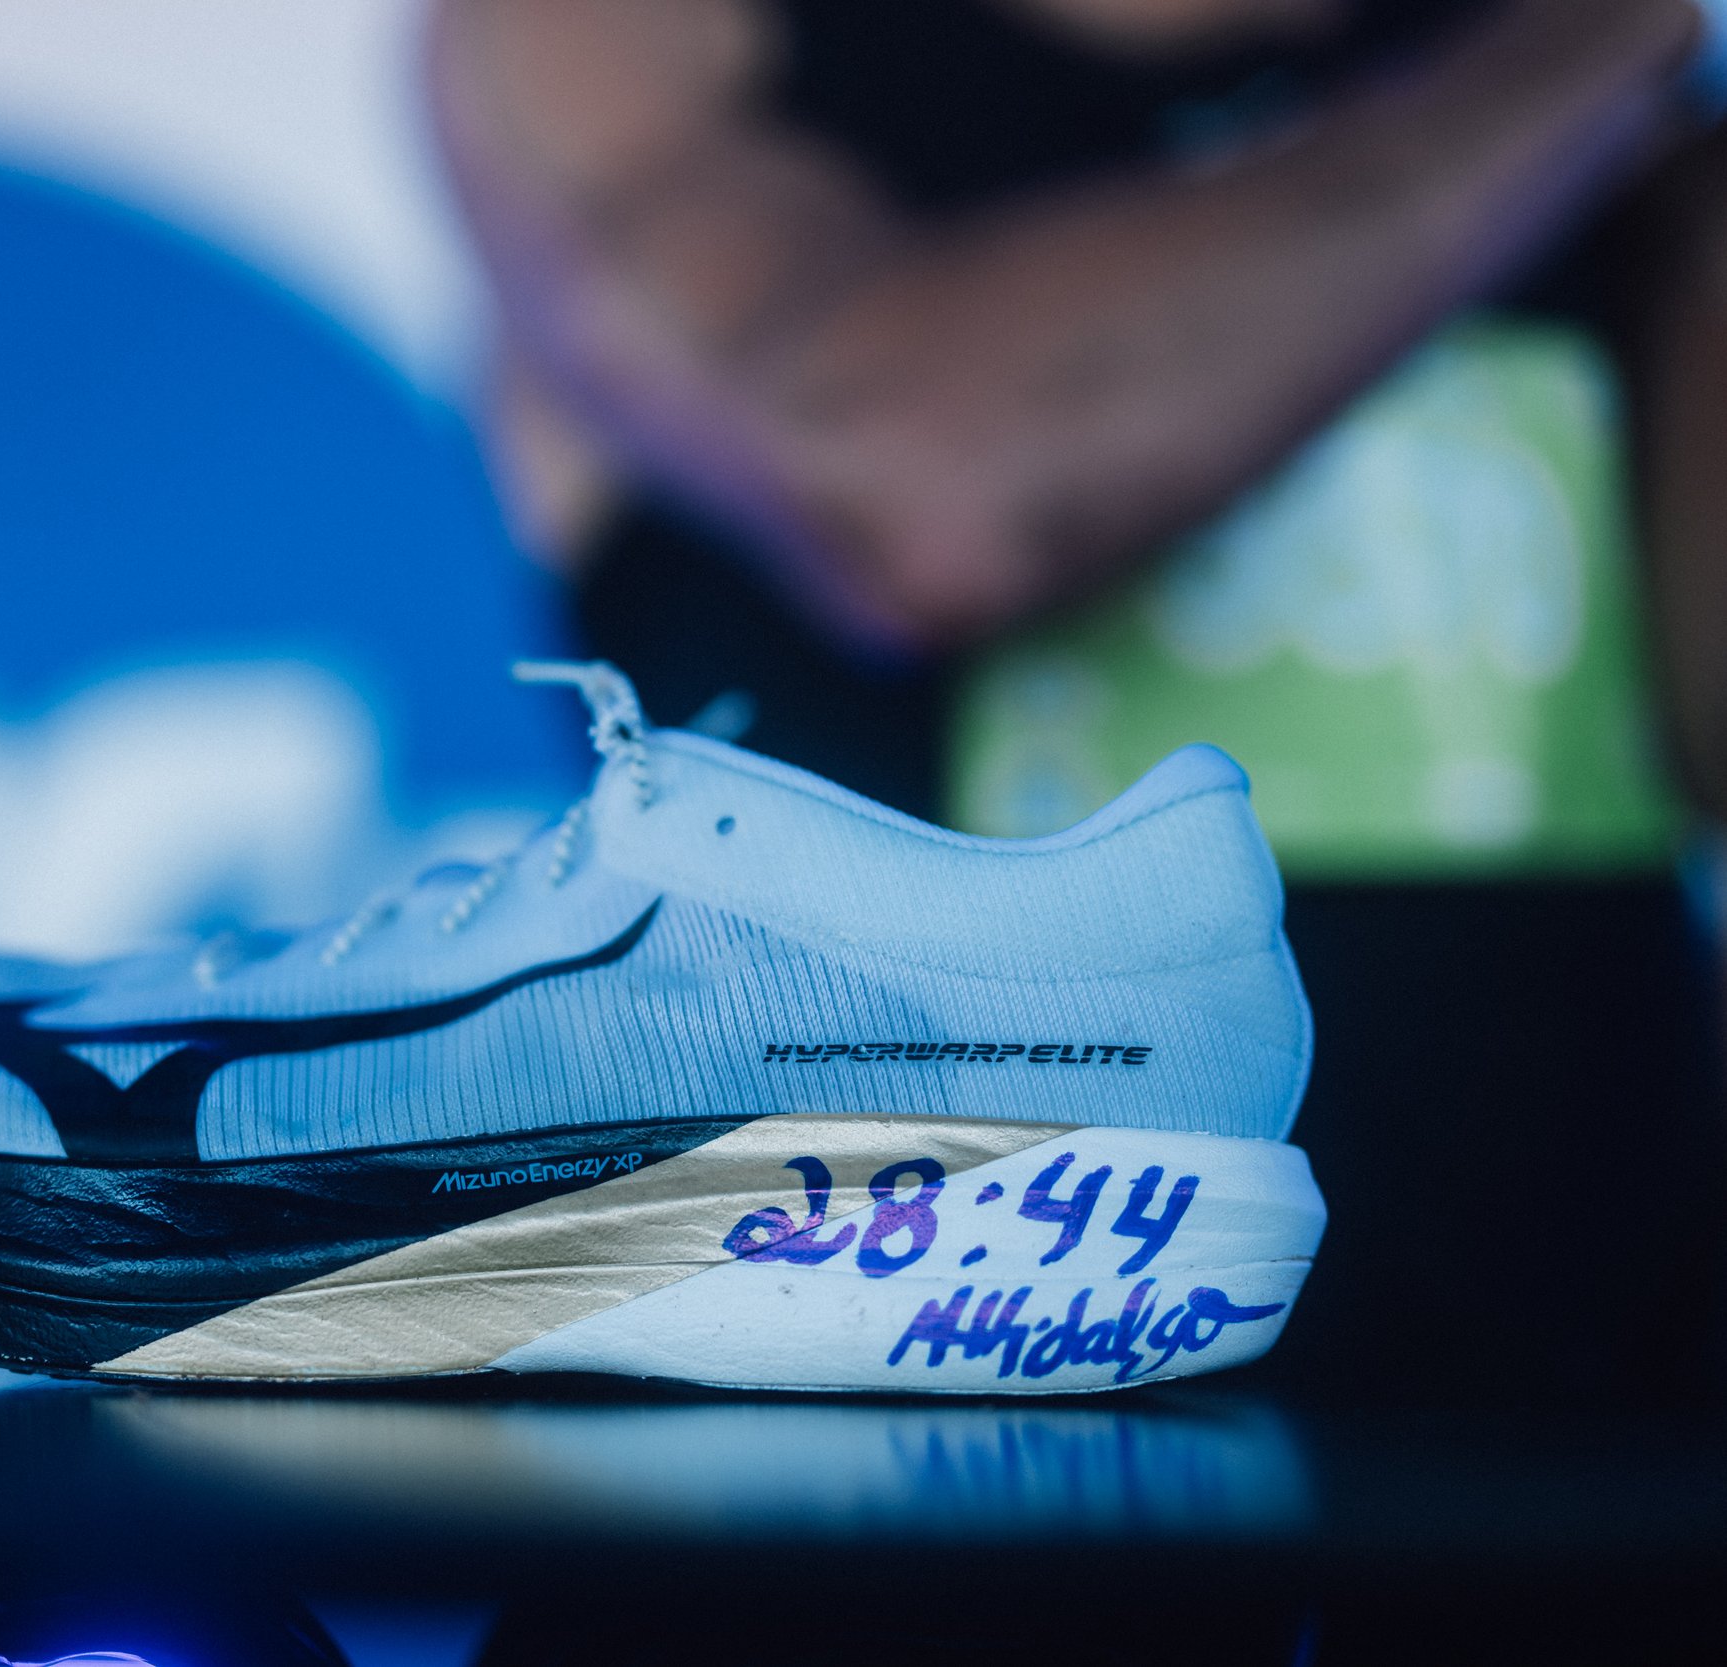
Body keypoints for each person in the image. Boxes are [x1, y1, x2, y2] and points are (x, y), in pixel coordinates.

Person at [431, 0, 1727, 1407]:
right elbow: (922, 484)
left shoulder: (1590, 95)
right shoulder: (626, 35)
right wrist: (1593, 50)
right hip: (870, 1437)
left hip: (1590, 1406)